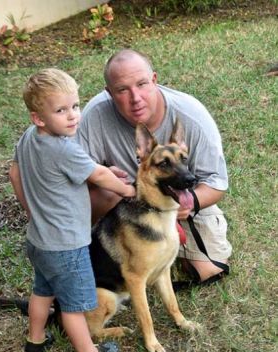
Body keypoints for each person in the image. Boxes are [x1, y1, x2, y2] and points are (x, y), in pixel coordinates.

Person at [9, 68, 135, 352]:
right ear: (39, 118)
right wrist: (129, 189)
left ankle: (35, 339)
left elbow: (15, 171)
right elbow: (101, 175)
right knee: (75, 306)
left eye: (76, 106)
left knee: (42, 291)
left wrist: (31, 210)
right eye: (61, 110)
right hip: (67, 247)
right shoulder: (63, 147)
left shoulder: (29, 138)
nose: (73, 116)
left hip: (39, 241)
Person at [77, 49, 232, 286]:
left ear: (155, 80)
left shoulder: (192, 116)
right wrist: (105, 177)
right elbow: (75, 174)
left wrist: (188, 203)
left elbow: (216, 182)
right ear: (109, 93)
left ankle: (165, 256)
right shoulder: (95, 116)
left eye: (142, 84)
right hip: (124, 204)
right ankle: (88, 254)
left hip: (181, 200)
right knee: (103, 192)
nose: (135, 97)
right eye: (122, 90)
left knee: (208, 270)